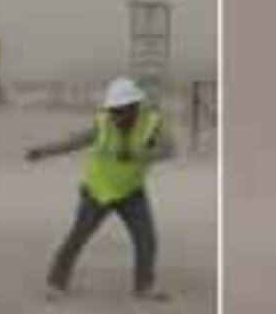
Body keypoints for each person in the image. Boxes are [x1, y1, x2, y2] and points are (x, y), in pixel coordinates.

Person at [27, 77, 175, 301]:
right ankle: (56, 283)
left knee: (147, 240)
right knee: (77, 237)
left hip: (131, 192)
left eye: (120, 110)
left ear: (135, 107)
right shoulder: (104, 123)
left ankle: (144, 287)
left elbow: (169, 150)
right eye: (113, 110)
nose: (115, 115)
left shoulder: (152, 123)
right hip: (97, 192)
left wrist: (140, 155)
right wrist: (43, 151)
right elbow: (73, 142)